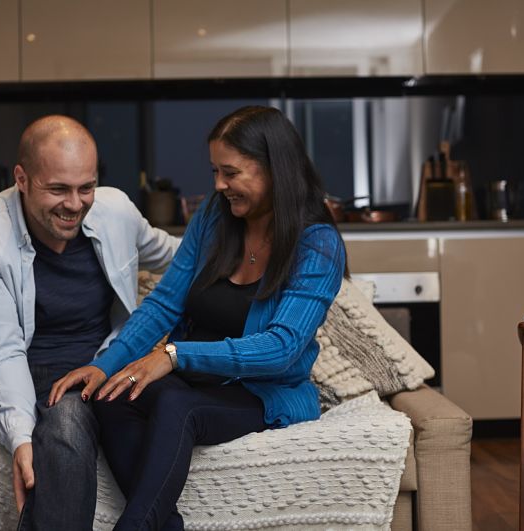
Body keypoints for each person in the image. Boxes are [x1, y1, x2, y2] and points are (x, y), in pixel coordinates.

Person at [49, 106, 347, 530]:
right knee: (113, 395)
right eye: (215, 171)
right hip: (193, 379)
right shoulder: (213, 217)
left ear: (273, 169)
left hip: (259, 392)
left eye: (231, 172)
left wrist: (174, 356)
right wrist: (103, 366)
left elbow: (281, 349)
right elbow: (164, 303)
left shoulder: (317, 245)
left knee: (176, 403)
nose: (219, 185)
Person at [0, 115, 180, 530]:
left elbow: (179, 257)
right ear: (22, 179)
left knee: (65, 422)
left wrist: (252, 244)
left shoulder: (116, 210)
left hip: (79, 381)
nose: (75, 204)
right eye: (58, 189)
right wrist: (21, 438)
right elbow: (2, 346)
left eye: (86, 187)